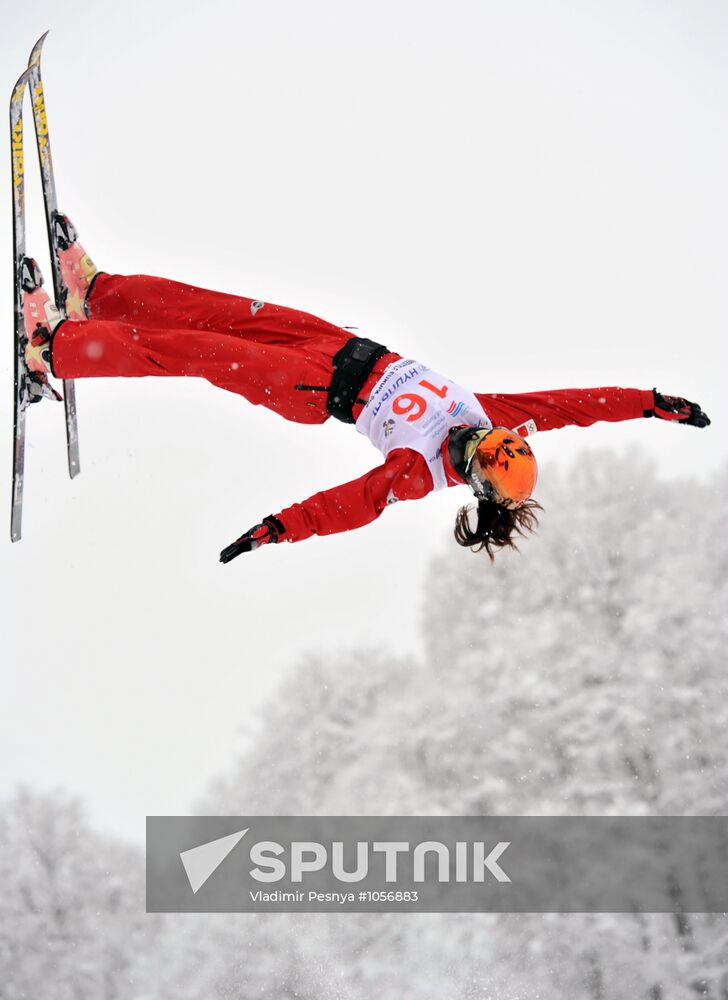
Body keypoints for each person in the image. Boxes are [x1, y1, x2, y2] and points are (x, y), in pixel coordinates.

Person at [21, 217, 711, 563]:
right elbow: (574, 405)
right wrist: (652, 402)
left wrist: (279, 529)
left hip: (308, 385)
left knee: (189, 352)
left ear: (472, 477)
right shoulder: (488, 416)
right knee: (214, 308)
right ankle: (96, 293)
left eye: (476, 451)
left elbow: (352, 505)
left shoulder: (419, 470)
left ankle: (52, 347)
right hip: (331, 341)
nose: (471, 434)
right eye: (488, 436)